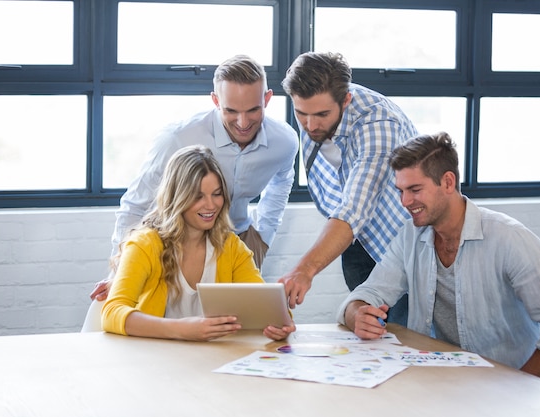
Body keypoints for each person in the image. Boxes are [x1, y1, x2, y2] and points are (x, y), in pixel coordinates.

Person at [337, 131, 540, 378]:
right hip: (445, 378)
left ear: (447, 182)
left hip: (505, 384)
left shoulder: (509, 239)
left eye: (414, 189)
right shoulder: (410, 237)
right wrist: (356, 313)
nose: (404, 201)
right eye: (400, 191)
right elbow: (369, 292)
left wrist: (521, 384)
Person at [90, 54, 299, 301]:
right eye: (231, 110)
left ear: (267, 99)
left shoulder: (284, 141)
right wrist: (120, 272)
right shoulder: (178, 138)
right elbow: (136, 205)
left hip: (239, 242)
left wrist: (262, 237)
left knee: (243, 323)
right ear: (215, 100)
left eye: (253, 110)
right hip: (179, 243)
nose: (243, 123)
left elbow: (282, 183)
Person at [101, 145, 296, 342]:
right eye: (198, 196)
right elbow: (112, 313)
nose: (211, 205)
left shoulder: (231, 247)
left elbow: (266, 306)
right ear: (178, 197)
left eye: (217, 194)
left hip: (212, 360)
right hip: (155, 360)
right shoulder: (145, 245)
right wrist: (181, 329)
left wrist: (279, 323)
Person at [279, 51, 417, 325]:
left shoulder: (379, 123)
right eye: (301, 113)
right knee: (368, 331)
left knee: (404, 333)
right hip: (354, 241)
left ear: (346, 100)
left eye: (321, 114)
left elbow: (355, 207)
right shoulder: (312, 107)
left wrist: (304, 270)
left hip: (400, 244)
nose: (310, 125)